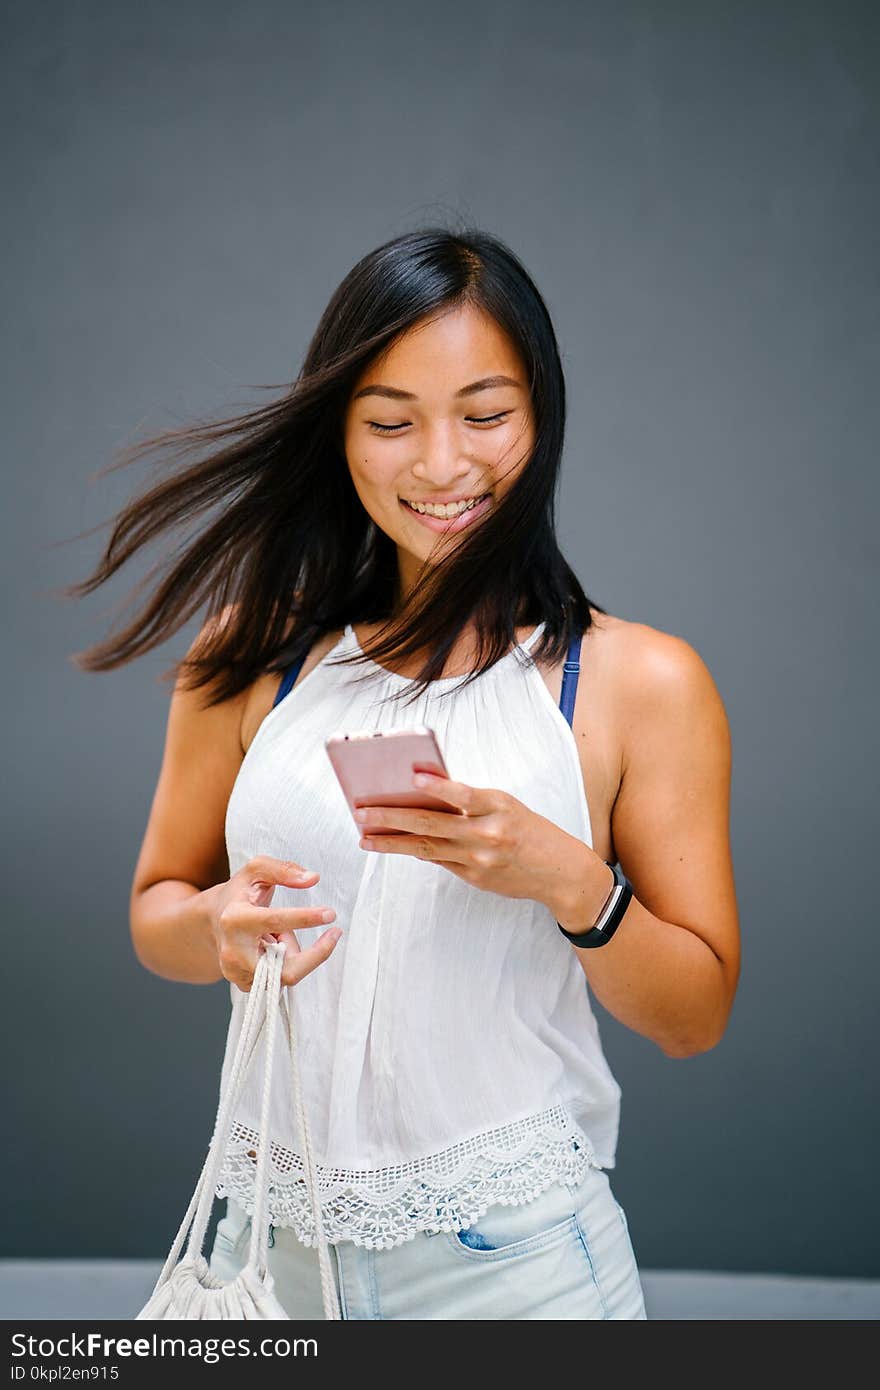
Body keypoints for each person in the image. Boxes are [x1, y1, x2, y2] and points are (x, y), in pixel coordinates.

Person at [67, 225, 740, 1320]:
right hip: (266, 1262)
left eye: (484, 415)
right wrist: (218, 929)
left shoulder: (635, 682)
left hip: (517, 1270)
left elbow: (694, 1014)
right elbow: (157, 911)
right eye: (390, 422)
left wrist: (568, 880)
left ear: (542, 417)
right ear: (340, 431)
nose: (440, 464)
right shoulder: (251, 656)